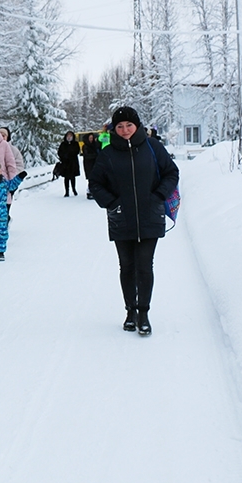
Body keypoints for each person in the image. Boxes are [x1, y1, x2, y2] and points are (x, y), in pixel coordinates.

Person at [88, 106, 179, 336]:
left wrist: (158, 196)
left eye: (129, 125)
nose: (125, 130)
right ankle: (130, 311)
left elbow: (171, 173)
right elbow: (95, 183)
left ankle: (144, 312)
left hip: (150, 216)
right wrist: (112, 203)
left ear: (137, 125)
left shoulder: (152, 147)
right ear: (114, 129)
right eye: (120, 126)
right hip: (121, 218)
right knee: (127, 267)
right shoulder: (107, 153)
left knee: (145, 266)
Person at [0, 126, 24, 221]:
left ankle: (5, 219)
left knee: (6, 201)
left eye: (4, 135)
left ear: (7, 137)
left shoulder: (14, 150)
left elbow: (19, 165)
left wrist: (13, 177)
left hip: (10, 181)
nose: (1, 137)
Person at [57, 130, 81, 197]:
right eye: (68, 136)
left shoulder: (75, 143)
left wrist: (71, 154)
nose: (69, 137)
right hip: (65, 163)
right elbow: (59, 152)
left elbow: (77, 151)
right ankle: (66, 191)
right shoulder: (63, 144)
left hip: (73, 163)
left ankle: (74, 189)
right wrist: (63, 156)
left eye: (70, 136)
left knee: (73, 177)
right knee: (66, 178)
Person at [81, 132, 99, 199]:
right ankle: (90, 192)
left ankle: (94, 191)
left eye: (92, 138)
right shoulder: (85, 146)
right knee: (91, 178)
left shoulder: (95, 145)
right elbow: (87, 155)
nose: (91, 139)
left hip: (95, 164)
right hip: (89, 164)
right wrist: (96, 156)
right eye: (90, 138)